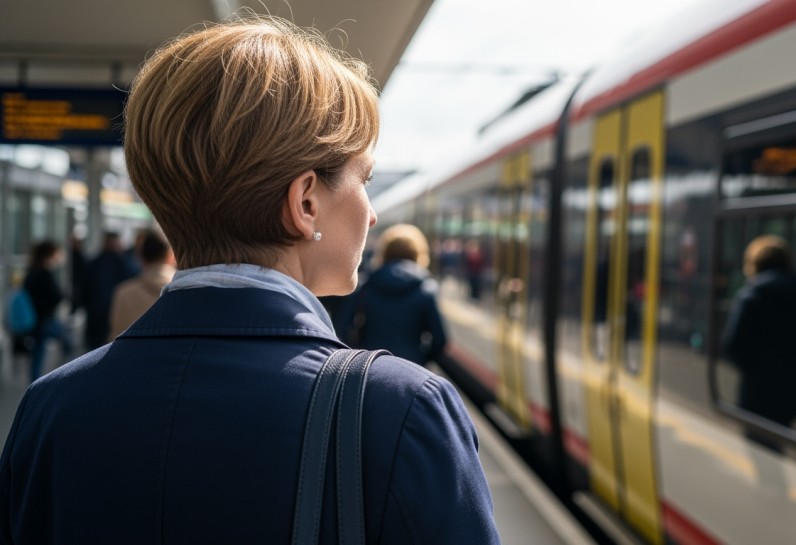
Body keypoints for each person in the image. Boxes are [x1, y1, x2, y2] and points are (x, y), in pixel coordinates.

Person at [0, 16, 499, 545]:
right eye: (365, 180)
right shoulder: (402, 412)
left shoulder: (50, 409)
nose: (372, 215)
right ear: (306, 203)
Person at [722, 235, 796, 450]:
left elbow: (733, 345)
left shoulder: (751, 294)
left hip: (757, 393)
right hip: (793, 393)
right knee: (777, 444)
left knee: (758, 449)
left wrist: (756, 370)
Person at [337, 224, 448, 366]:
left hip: (370, 364)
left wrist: (358, 352)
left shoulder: (366, 285)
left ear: (384, 252)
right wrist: (420, 359)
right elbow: (439, 340)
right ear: (418, 254)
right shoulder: (426, 289)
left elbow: (342, 327)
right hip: (411, 366)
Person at [107, 228, 176, 340]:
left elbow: (115, 337)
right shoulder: (188, 291)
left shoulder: (124, 293)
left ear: (141, 257)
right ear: (170, 256)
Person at [21, 240, 73, 382]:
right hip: (44, 319)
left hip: (34, 320)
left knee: (38, 354)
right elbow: (55, 296)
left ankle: (35, 383)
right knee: (67, 342)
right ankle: (66, 375)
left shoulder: (31, 271)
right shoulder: (44, 273)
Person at [81, 231, 134, 349]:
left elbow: (85, 288)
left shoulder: (96, 262)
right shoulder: (124, 263)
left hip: (98, 312)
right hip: (109, 310)